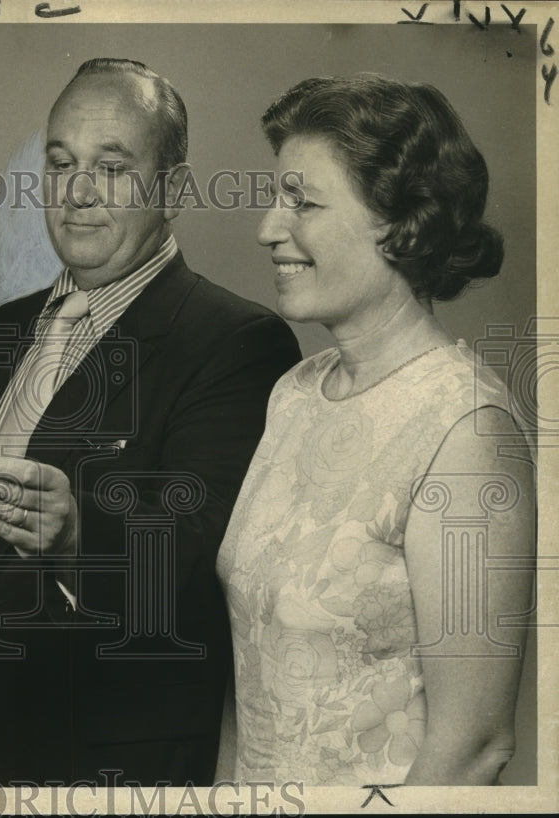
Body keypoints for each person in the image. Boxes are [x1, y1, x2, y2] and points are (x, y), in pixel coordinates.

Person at [0, 58, 301, 785]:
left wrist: (76, 535)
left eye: (111, 167)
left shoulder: (236, 341)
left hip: (116, 768)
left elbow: (204, 565)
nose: (76, 194)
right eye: (61, 163)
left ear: (174, 189)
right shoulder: (11, 327)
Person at [216, 75, 535, 786]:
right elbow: (253, 691)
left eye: (302, 202)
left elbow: (475, 747)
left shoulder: (466, 431)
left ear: (399, 223)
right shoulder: (295, 394)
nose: (269, 227)